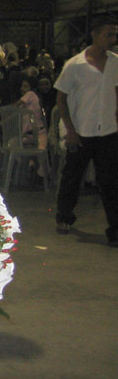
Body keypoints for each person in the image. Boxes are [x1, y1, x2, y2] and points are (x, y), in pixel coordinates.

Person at [54, 17, 118, 247]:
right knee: (72, 177)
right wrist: (70, 130)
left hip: (108, 131)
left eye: (114, 35)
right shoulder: (75, 65)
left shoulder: (115, 63)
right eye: (108, 34)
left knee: (110, 182)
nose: (112, 39)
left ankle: (115, 229)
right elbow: (61, 99)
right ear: (95, 35)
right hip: (81, 131)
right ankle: (64, 216)